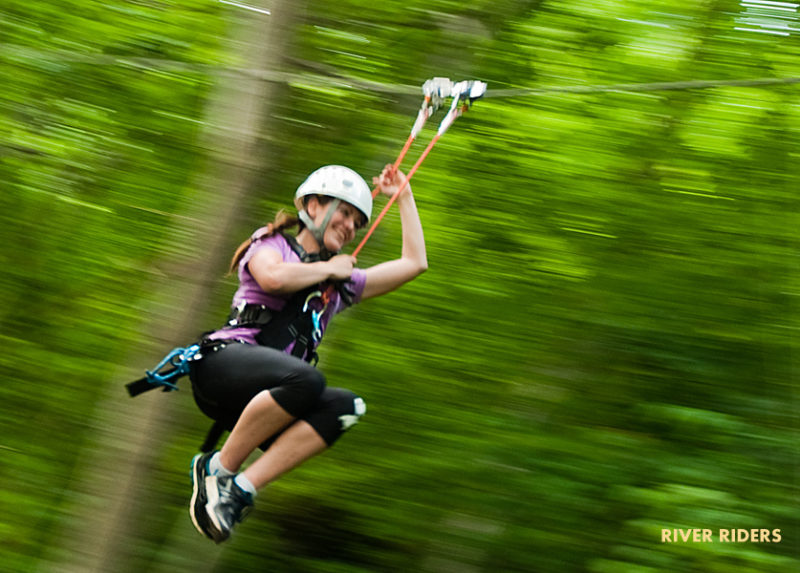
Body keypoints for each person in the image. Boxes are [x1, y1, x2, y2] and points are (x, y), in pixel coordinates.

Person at [187, 164, 427, 543]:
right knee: (308, 379)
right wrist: (330, 269)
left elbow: (414, 264)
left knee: (348, 406)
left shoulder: (340, 284)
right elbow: (274, 278)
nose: (350, 227)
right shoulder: (271, 244)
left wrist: (405, 197)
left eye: (357, 223)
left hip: (270, 395)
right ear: (313, 206)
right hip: (222, 366)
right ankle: (218, 470)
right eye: (345, 212)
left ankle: (240, 491)